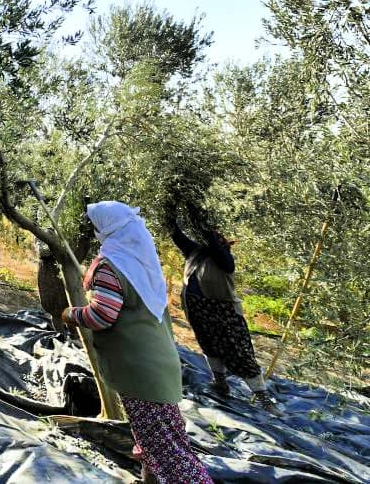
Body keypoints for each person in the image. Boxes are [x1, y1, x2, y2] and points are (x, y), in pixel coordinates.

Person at [62, 201, 213, 484]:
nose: (94, 233)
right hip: (159, 367)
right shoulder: (141, 262)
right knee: (158, 439)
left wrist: (71, 313)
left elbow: (102, 315)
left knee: (170, 452)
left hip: (140, 373)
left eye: (95, 227)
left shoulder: (111, 265)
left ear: (105, 229)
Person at [167, 214, 276, 408]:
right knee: (209, 345)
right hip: (199, 309)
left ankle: (262, 397)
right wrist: (170, 210)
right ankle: (220, 384)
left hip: (225, 314)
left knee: (240, 352)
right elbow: (177, 235)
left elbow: (212, 241)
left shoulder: (224, 259)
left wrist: (197, 216)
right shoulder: (195, 253)